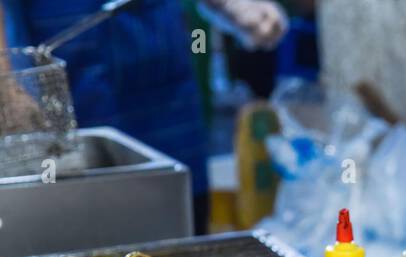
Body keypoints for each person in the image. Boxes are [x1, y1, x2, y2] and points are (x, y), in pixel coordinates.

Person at [0, 0, 286, 223]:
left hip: (166, 93)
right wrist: (7, 86)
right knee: (79, 234)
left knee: (180, 244)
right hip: (66, 87)